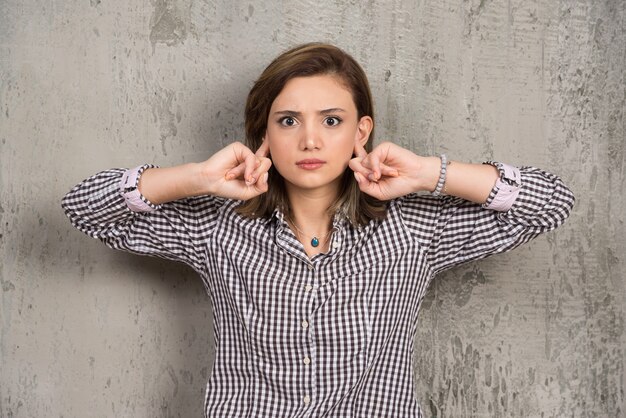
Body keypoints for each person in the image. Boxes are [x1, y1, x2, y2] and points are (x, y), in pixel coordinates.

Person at [62, 43, 574, 417]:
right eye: (288, 121)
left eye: (331, 121)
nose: (309, 140)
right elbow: (85, 207)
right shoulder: (216, 225)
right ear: (264, 133)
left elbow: (550, 203)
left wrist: (431, 174)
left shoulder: (414, 227)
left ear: (361, 131)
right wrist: (196, 177)